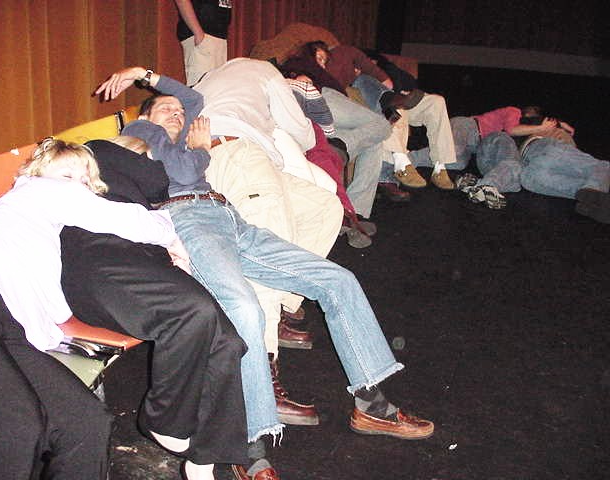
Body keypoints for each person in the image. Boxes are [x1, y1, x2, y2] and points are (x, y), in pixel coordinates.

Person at [97, 67, 435, 480]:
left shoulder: (182, 130)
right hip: (188, 220)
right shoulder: (142, 133)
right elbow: (183, 173)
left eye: (177, 112)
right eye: (165, 109)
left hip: (227, 216)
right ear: (145, 115)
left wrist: (145, 74)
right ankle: (248, 442)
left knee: (337, 280)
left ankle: (372, 403)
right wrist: (200, 149)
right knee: (243, 307)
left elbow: (193, 100)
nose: (176, 114)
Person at [0, 138, 189, 479]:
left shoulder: (39, 229)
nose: (77, 184)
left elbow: (55, 311)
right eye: (67, 174)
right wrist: (171, 233)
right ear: (37, 172)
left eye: (85, 179)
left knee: (85, 423)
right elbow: (120, 218)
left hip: (8, 327)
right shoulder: (37, 190)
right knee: (13, 425)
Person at [60, 137, 249, 480]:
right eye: (143, 154)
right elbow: (158, 180)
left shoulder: (125, 193)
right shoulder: (98, 150)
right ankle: (164, 419)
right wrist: (151, 153)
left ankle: (203, 462)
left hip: (146, 258)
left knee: (227, 343)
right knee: (193, 313)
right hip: (98, 254)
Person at [282, 46, 409, 219]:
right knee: (382, 125)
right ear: (308, 53)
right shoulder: (301, 63)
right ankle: (340, 146)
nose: (322, 64)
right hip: (324, 97)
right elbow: (294, 75)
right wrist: (300, 76)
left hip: (322, 113)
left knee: (374, 141)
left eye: (325, 61)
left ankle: (355, 212)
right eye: (319, 57)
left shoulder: (315, 70)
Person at [319, 43, 456, 190]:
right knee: (394, 104)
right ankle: (401, 161)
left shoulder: (379, 62)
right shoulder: (346, 68)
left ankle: (440, 167)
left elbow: (401, 81)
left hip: (403, 95)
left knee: (436, 102)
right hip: (373, 99)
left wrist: (400, 88)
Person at [454, 107, 610, 222]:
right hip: (538, 158)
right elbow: (510, 131)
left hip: (538, 160)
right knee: (602, 168)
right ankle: (593, 195)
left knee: (591, 178)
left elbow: (512, 130)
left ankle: (593, 196)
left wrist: (559, 125)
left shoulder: (538, 124)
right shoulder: (531, 126)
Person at [174, 0, 233, 86]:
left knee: (216, 88)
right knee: (202, 88)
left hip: (219, 38)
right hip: (204, 37)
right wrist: (198, 33)